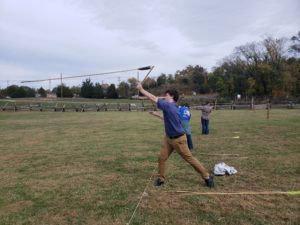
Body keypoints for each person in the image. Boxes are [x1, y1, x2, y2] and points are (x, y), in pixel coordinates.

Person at [135, 82, 214, 188]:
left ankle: (207, 177)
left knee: (189, 159)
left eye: (166, 95)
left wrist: (141, 89)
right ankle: (161, 178)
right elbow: (154, 101)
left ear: (171, 96)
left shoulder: (169, 106)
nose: (164, 97)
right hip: (168, 138)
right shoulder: (170, 106)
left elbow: (153, 98)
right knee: (162, 158)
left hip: (179, 139)